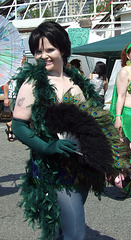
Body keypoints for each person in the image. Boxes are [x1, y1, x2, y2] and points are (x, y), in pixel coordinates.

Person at [12, 22, 130, 240]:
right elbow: (18, 126)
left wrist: (107, 160)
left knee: (63, 227)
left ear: (63, 49)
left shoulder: (77, 81)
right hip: (54, 170)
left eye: (49, 49)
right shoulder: (32, 84)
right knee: (75, 233)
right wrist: (48, 146)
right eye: (38, 51)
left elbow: (93, 124)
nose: (43, 56)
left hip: (81, 168)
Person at [110, 43, 131, 195]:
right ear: (128, 55)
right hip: (127, 115)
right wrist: (118, 117)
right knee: (125, 151)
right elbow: (121, 96)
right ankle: (123, 180)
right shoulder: (125, 72)